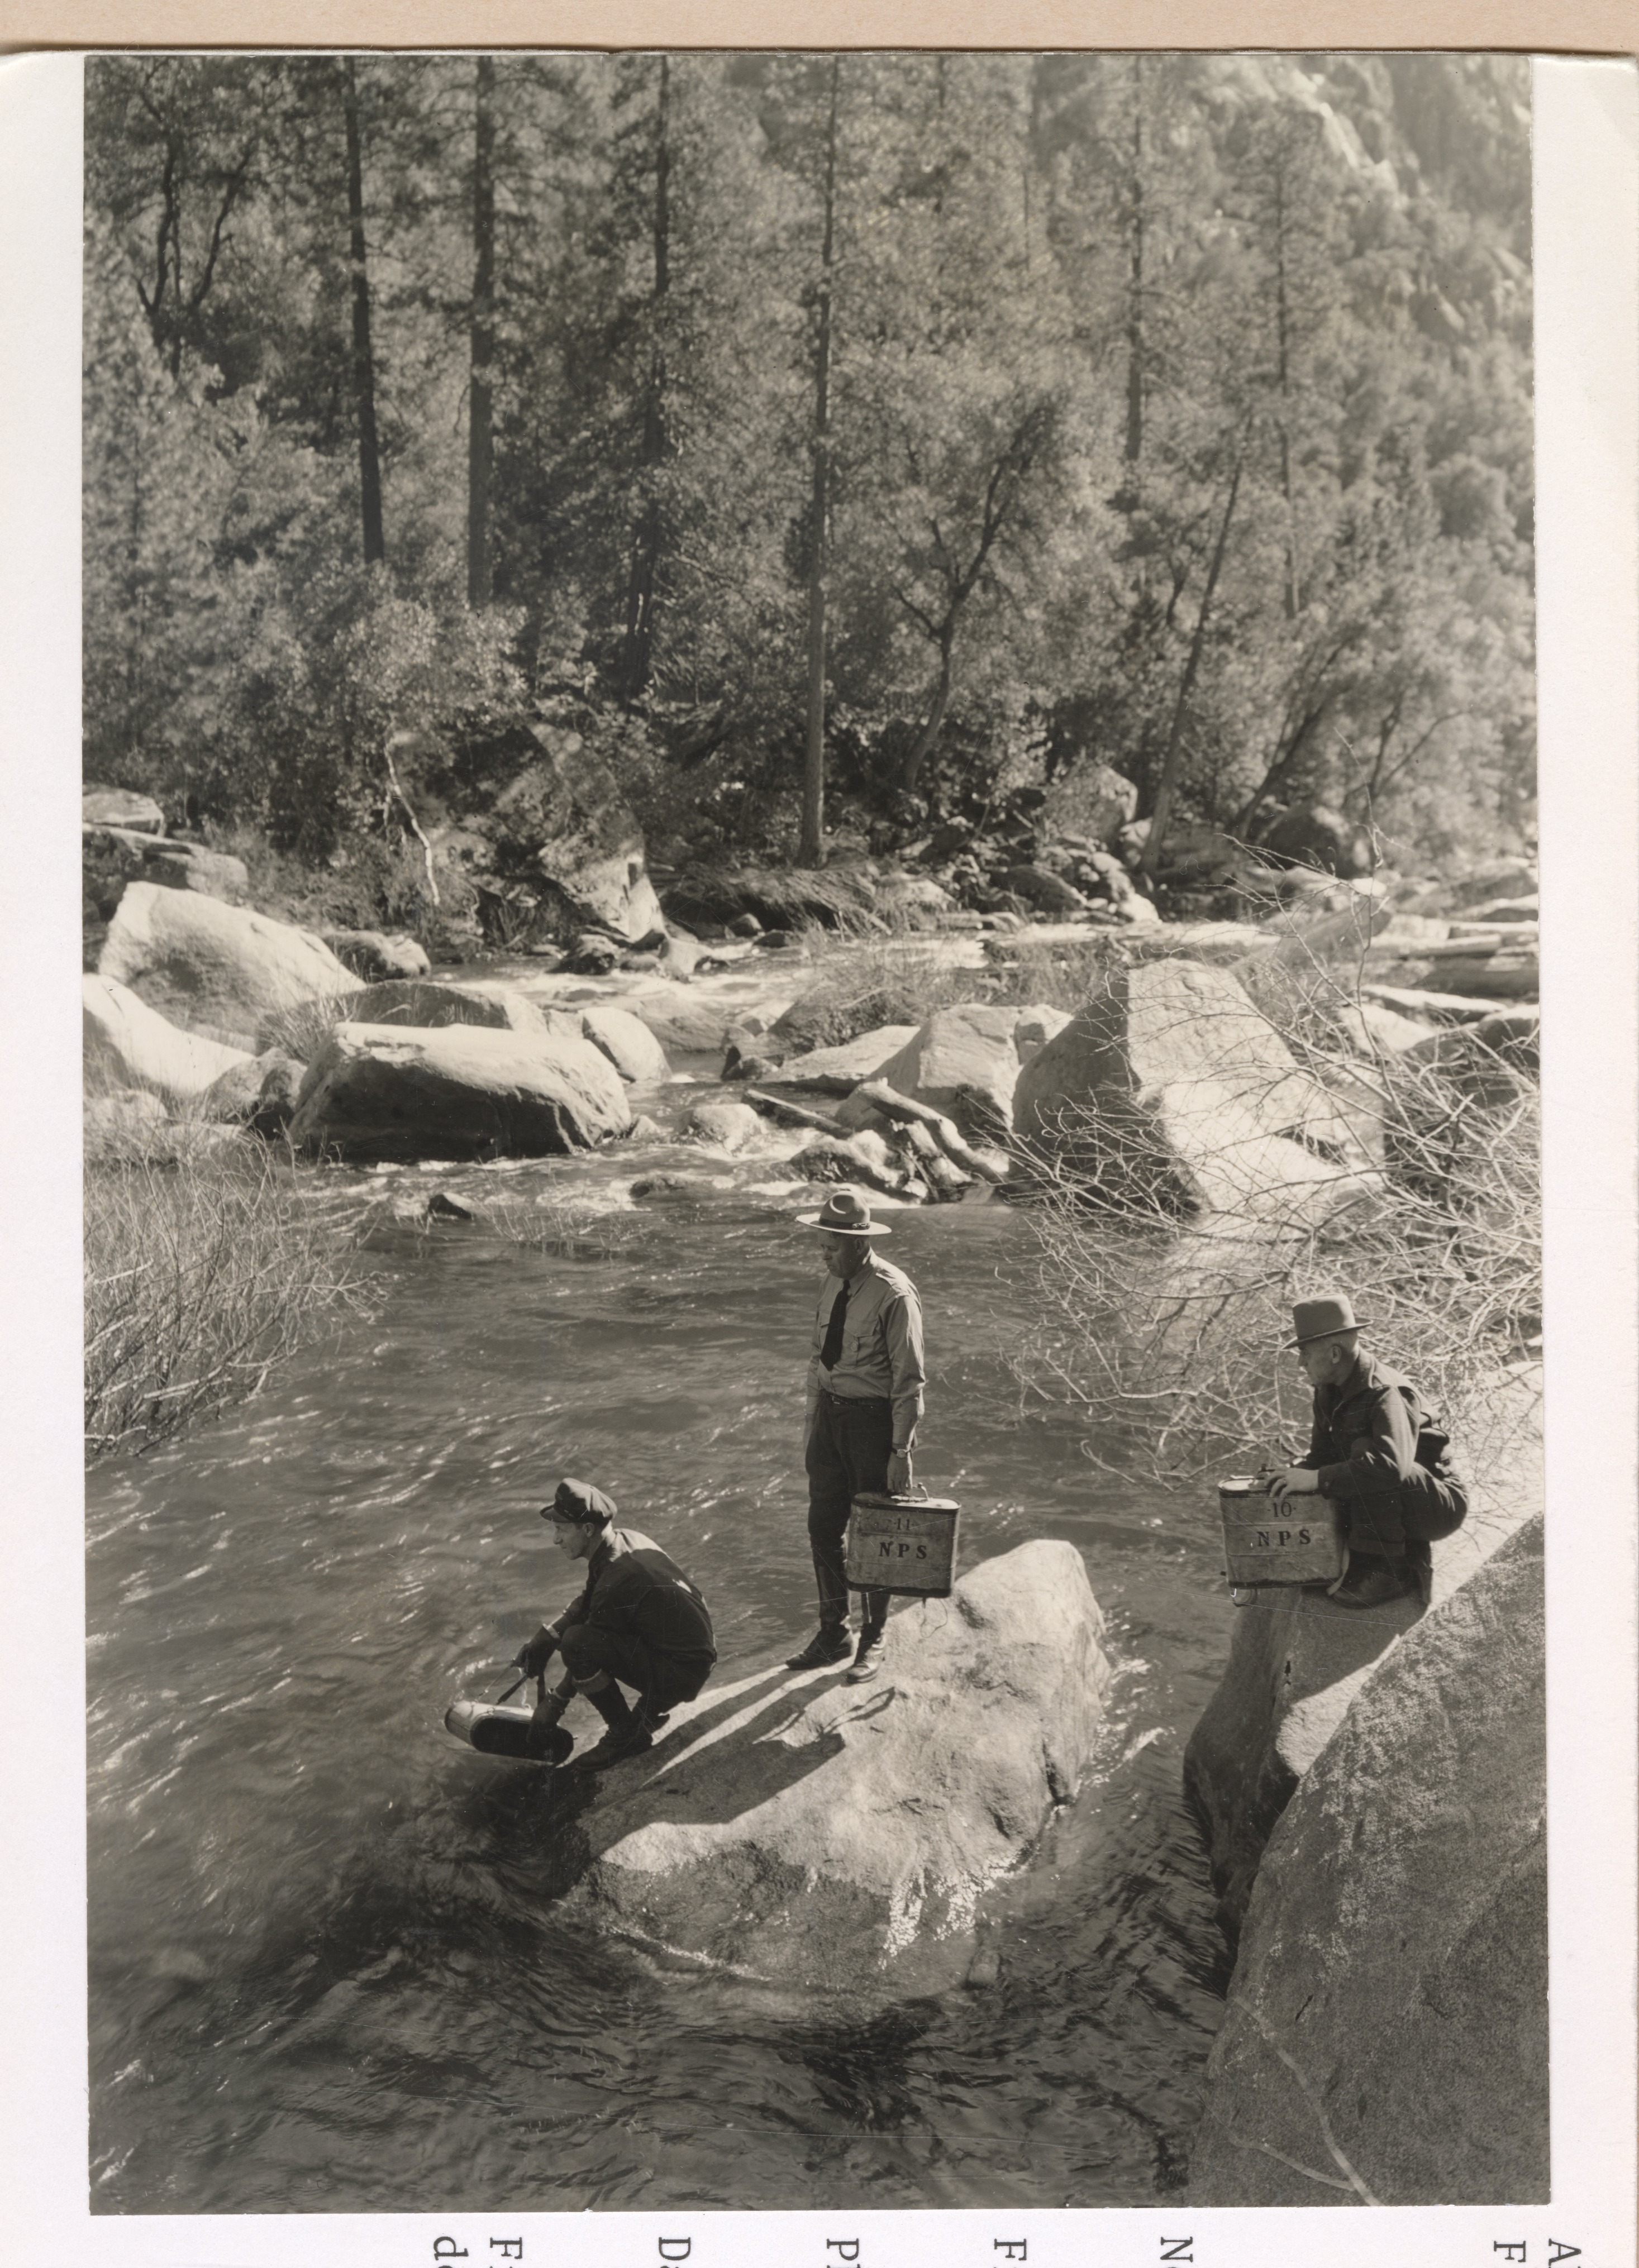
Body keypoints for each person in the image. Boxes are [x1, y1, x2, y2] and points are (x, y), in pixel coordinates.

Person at [787, 1187, 927, 1684]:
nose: (822, 1254)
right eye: (821, 1244)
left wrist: (900, 1451)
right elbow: (815, 1358)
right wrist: (811, 1426)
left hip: (873, 1426)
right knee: (822, 1526)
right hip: (830, 1418)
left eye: (830, 1247)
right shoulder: (832, 1280)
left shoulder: (894, 1294)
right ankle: (833, 1632)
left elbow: (910, 1381)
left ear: (858, 1243)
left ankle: (874, 1636)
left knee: (873, 1535)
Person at [1268, 1294, 1468, 1609]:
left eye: (1305, 1353)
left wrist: (1317, 1478)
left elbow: (1391, 1468)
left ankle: (1390, 1570)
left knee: (1368, 1455)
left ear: (1334, 1354)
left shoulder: (1383, 1392)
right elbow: (1320, 1458)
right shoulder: (1327, 1391)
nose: (1300, 1363)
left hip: (1435, 1507)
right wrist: (1289, 1478)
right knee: (1332, 1468)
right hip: (1394, 1499)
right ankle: (1367, 1553)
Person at [512, 1479, 717, 1770]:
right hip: (692, 1656)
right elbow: (592, 1596)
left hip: (683, 1672)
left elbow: (586, 1645)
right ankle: (644, 1717)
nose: (555, 1540)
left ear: (587, 1529)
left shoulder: (618, 1578)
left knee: (576, 1643)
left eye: (561, 1529)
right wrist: (548, 1635)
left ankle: (625, 1737)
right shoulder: (623, 1541)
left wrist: (555, 1704)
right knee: (571, 1636)